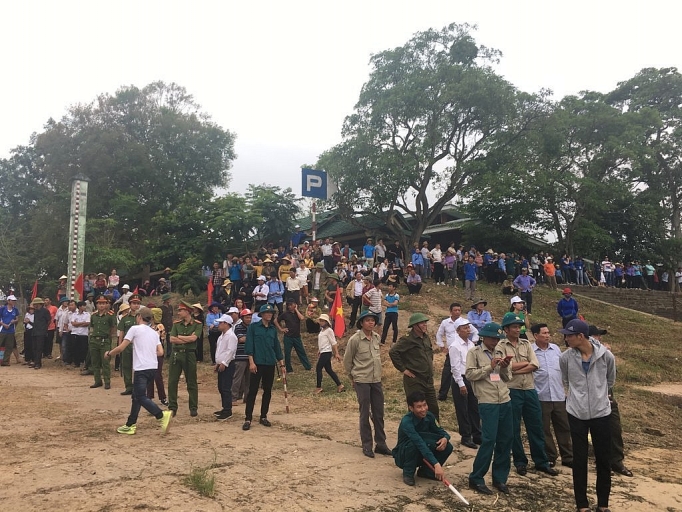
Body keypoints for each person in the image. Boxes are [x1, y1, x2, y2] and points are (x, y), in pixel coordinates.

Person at [559, 319, 615, 512]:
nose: (566, 338)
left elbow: (610, 380)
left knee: (603, 459)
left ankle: (603, 504)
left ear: (580, 336)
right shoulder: (566, 358)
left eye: (569, 335)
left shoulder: (606, 356)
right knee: (579, 460)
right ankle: (582, 505)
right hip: (576, 413)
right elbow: (565, 381)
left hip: (601, 412)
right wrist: (577, 399)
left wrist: (600, 397)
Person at [495, 312, 558, 477]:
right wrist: (519, 366)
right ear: (506, 329)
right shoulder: (501, 346)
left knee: (536, 427)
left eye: (519, 326)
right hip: (512, 391)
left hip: (530, 389)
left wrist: (513, 368)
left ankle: (541, 462)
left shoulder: (526, 344)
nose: (517, 329)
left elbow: (535, 364)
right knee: (514, 428)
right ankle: (520, 462)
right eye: (514, 327)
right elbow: (501, 369)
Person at [104, 307, 173, 436]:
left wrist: (109, 353)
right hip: (153, 366)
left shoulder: (135, 329)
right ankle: (130, 424)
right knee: (136, 397)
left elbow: (121, 347)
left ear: (139, 317)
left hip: (141, 368)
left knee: (140, 396)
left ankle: (161, 415)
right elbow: (161, 352)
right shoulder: (154, 332)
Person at [465, 322, 513, 495]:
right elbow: (470, 374)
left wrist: (505, 366)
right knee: (489, 440)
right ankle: (476, 477)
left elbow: (506, 378)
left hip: (504, 399)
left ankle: (500, 478)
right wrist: (490, 367)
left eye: (497, 338)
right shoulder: (474, 353)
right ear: (484, 337)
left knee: (505, 440)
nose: (495, 341)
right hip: (487, 401)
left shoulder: (500, 351)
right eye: (493, 338)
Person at [343, 310, 391, 458]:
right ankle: (367, 445)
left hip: (376, 380)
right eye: (368, 320)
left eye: (373, 320)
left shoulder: (376, 338)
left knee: (378, 413)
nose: (371, 323)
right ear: (361, 323)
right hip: (361, 380)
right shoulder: (355, 339)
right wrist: (352, 378)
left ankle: (381, 444)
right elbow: (347, 361)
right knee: (364, 413)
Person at [588, 325, 632, 477]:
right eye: (595, 336)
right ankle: (602, 462)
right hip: (590, 397)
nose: (598, 339)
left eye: (599, 336)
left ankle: (616, 461)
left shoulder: (606, 354)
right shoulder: (580, 355)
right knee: (597, 431)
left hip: (607, 395)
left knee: (614, 428)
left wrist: (608, 355)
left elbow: (612, 375)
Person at [531, 323, 573, 469]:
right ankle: (550, 456)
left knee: (564, 427)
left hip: (558, 394)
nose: (548, 335)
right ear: (536, 336)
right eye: (544, 333)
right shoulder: (530, 350)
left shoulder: (555, 349)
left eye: (549, 332)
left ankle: (568, 456)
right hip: (541, 395)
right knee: (544, 428)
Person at [392, 391, 453, 486]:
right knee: (414, 445)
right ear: (411, 408)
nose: (423, 409)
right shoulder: (407, 422)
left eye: (425, 405)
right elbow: (419, 443)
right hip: (405, 454)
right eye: (419, 407)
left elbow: (442, 432)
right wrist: (436, 464)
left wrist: (445, 438)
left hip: (422, 450)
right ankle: (408, 473)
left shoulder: (429, 416)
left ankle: (426, 472)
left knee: (447, 446)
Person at [389, 313, 439, 421]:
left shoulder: (426, 337)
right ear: (414, 325)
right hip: (415, 380)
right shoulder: (407, 339)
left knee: (433, 409)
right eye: (422, 323)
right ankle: (415, 434)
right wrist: (403, 369)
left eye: (425, 322)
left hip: (428, 379)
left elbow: (429, 353)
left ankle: (435, 434)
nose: (425, 325)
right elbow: (393, 352)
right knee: (416, 409)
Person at [243, 304, 284, 431]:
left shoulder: (272, 329)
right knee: (253, 390)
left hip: (270, 363)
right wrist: (251, 362)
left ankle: (263, 416)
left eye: (271, 313)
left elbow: (276, 347)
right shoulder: (254, 328)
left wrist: (282, 363)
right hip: (257, 362)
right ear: (261, 315)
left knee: (267, 390)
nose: (269, 315)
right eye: (267, 313)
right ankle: (248, 418)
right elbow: (249, 345)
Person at [448, 318, 481, 449]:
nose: (468, 330)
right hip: (460, 379)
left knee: (474, 407)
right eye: (465, 328)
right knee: (463, 409)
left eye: (468, 327)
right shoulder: (455, 346)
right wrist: (461, 384)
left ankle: (477, 434)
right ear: (458, 331)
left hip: (472, 378)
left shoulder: (471, 345)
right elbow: (455, 367)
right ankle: (466, 436)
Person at [168, 300, 203, 417]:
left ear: (188, 311)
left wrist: (180, 337)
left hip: (190, 354)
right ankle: (172, 407)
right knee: (172, 381)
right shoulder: (176, 324)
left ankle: (193, 407)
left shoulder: (197, 324)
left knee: (191, 381)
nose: (179, 313)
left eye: (181, 310)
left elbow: (194, 339)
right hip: (176, 354)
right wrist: (186, 338)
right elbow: (172, 339)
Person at [212, 314, 238, 421]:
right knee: (221, 387)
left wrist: (224, 363)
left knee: (226, 387)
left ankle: (228, 410)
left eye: (220, 323)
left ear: (226, 324)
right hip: (221, 364)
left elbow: (230, 351)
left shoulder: (231, 336)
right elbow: (220, 351)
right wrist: (218, 363)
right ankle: (225, 407)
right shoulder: (221, 336)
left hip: (228, 364)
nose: (218, 325)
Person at [278, 299, 312, 373]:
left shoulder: (298, 313)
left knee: (301, 352)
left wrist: (296, 310)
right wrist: (281, 329)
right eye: (289, 305)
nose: (291, 306)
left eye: (292, 304)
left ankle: (307, 366)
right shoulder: (285, 314)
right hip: (288, 337)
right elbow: (276, 320)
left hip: (297, 336)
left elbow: (302, 318)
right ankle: (289, 369)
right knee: (287, 353)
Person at [314, 314, 344, 393]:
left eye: (322, 321)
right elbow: (322, 342)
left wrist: (336, 353)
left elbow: (333, 343)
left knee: (318, 368)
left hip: (327, 352)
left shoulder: (329, 330)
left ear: (326, 322)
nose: (321, 322)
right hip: (323, 351)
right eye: (320, 321)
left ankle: (318, 387)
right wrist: (319, 350)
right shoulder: (322, 330)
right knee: (328, 369)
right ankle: (339, 385)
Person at [231, 309, 252, 404]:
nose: (249, 319)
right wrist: (253, 338)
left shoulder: (252, 327)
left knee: (249, 379)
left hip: (251, 356)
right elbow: (241, 339)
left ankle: (247, 398)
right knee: (238, 378)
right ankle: (233, 397)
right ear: (242, 318)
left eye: (250, 317)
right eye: (247, 317)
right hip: (240, 356)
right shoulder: (238, 327)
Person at [29, 297, 52, 370]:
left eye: (35, 304)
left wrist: (44, 328)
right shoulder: (35, 311)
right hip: (35, 331)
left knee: (39, 348)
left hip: (41, 332)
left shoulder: (45, 311)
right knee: (34, 348)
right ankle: (36, 362)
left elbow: (49, 320)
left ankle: (38, 363)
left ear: (39, 304)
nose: (34, 305)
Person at [0, 294, 20, 366]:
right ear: (8, 301)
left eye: (14, 300)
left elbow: (17, 318)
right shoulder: (2, 309)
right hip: (2, 330)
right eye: (12, 300)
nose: (14, 302)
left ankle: (5, 361)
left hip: (11, 330)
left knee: (9, 346)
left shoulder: (15, 310)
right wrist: (3, 324)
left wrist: (14, 321)